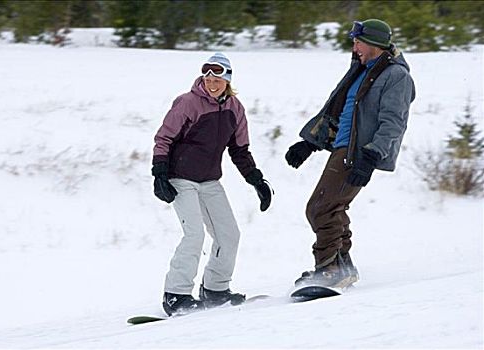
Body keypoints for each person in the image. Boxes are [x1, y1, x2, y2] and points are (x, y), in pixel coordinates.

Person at [285, 19, 415, 289]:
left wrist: (372, 155)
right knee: (332, 206)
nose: (354, 46)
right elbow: (336, 110)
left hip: (358, 151)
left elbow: (393, 122)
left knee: (320, 208)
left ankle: (329, 269)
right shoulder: (361, 70)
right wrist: (309, 143)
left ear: (375, 44)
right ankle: (342, 265)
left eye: (358, 41)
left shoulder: (396, 76)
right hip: (342, 146)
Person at [152, 52, 272, 316]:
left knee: (229, 235)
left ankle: (215, 289)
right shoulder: (187, 103)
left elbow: (240, 150)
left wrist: (257, 181)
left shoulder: (234, 108)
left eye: (217, 77)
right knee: (194, 234)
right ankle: (176, 295)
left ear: (227, 80)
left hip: (209, 180)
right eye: (208, 76)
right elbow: (164, 139)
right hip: (181, 177)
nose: (212, 82)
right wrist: (159, 173)